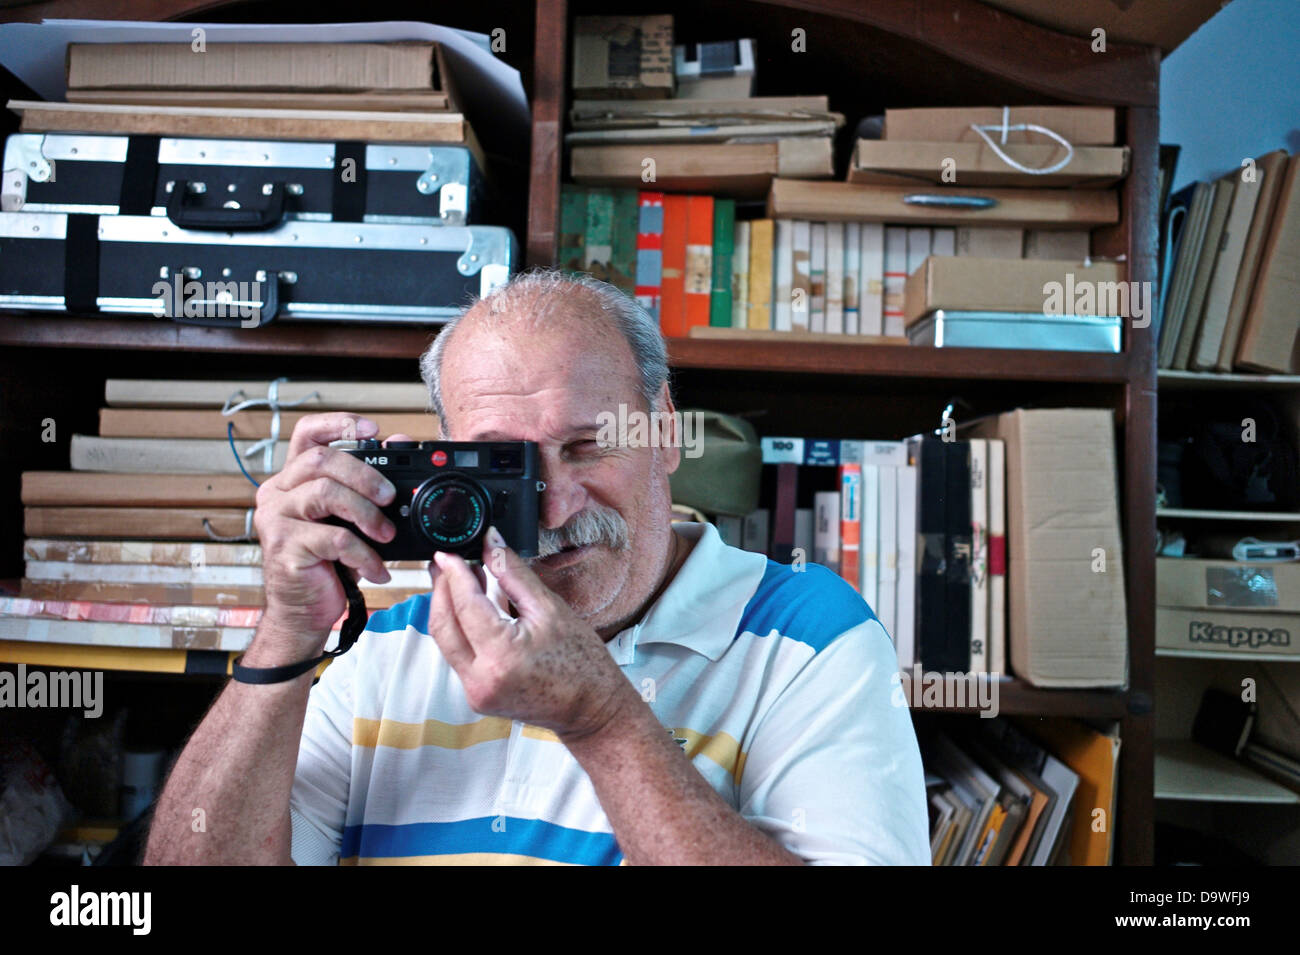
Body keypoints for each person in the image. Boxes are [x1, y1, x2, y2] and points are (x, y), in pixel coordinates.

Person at [144, 269, 929, 866]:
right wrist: (285, 633)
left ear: (664, 430)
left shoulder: (812, 640)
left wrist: (601, 719)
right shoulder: (387, 648)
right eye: (505, 469)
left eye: (586, 447)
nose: (553, 509)